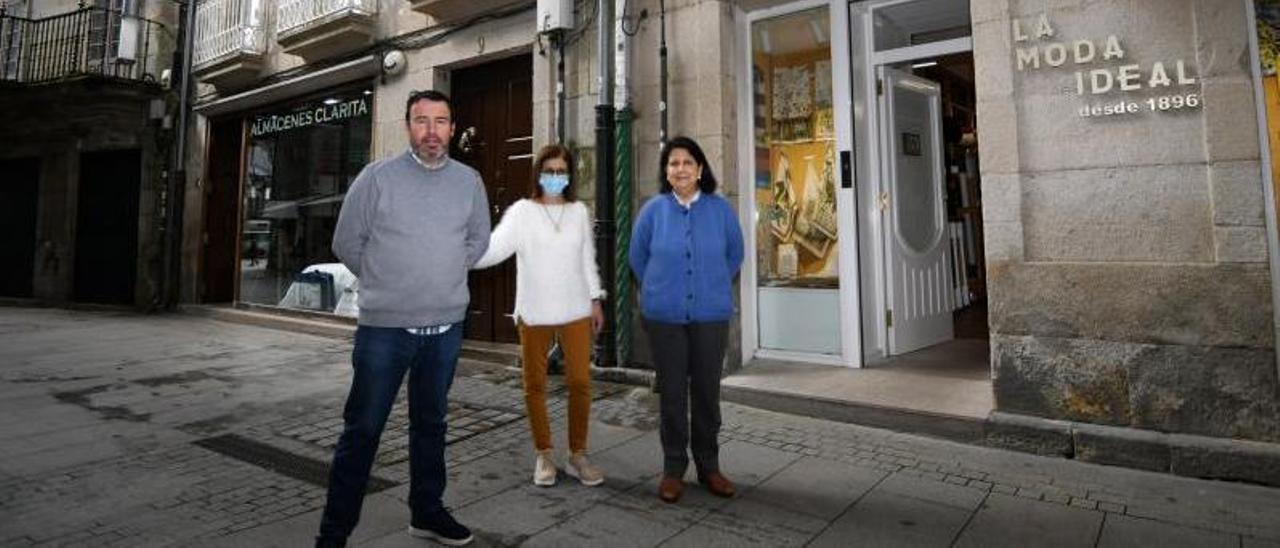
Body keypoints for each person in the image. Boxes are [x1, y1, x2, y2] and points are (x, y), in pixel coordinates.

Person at [316, 90, 490, 548]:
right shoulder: (377, 179)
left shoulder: (469, 181)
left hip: (446, 329)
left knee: (431, 426)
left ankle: (427, 513)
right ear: (407, 126)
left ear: (452, 127)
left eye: (441, 121)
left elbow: (478, 240)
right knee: (364, 430)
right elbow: (346, 242)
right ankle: (333, 534)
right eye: (421, 121)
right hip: (384, 332)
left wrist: (443, 273)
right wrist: (388, 281)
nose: (432, 131)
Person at [472, 144, 607, 488]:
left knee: (580, 382)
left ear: (570, 176)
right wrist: (461, 251)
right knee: (535, 384)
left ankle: (577, 455)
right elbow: (495, 248)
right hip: (534, 310)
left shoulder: (578, 211)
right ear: (538, 173)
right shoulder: (522, 212)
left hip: (575, 309)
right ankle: (544, 454)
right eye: (550, 170)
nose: (556, 177)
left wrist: (595, 299)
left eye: (562, 171)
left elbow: (586, 259)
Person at [628, 136, 744, 504]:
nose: (680, 168)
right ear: (666, 171)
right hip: (665, 318)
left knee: (707, 394)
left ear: (700, 169)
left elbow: (735, 254)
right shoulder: (653, 211)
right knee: (673, 395)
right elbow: (637, 258)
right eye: (673, 162)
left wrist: (710, 285)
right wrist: (659, 289)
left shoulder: (720, 210)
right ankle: (673, 468)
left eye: (687, 162)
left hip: (710, 316)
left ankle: (709, 466)